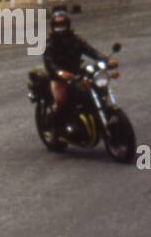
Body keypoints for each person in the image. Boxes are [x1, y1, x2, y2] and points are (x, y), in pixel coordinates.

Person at [43, 9, 114, 143]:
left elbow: (91, 51)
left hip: (77, 73)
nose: (60, 28)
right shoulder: (49, 44)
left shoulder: (76, 40)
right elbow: (49, 62)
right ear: (53, 26)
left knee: (97, 89)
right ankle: (55, 129)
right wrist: (59, 72)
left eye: (63, 24)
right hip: (58, 78)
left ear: (68, 24)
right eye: (57, 25)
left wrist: (105, 60)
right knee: (61, 99)